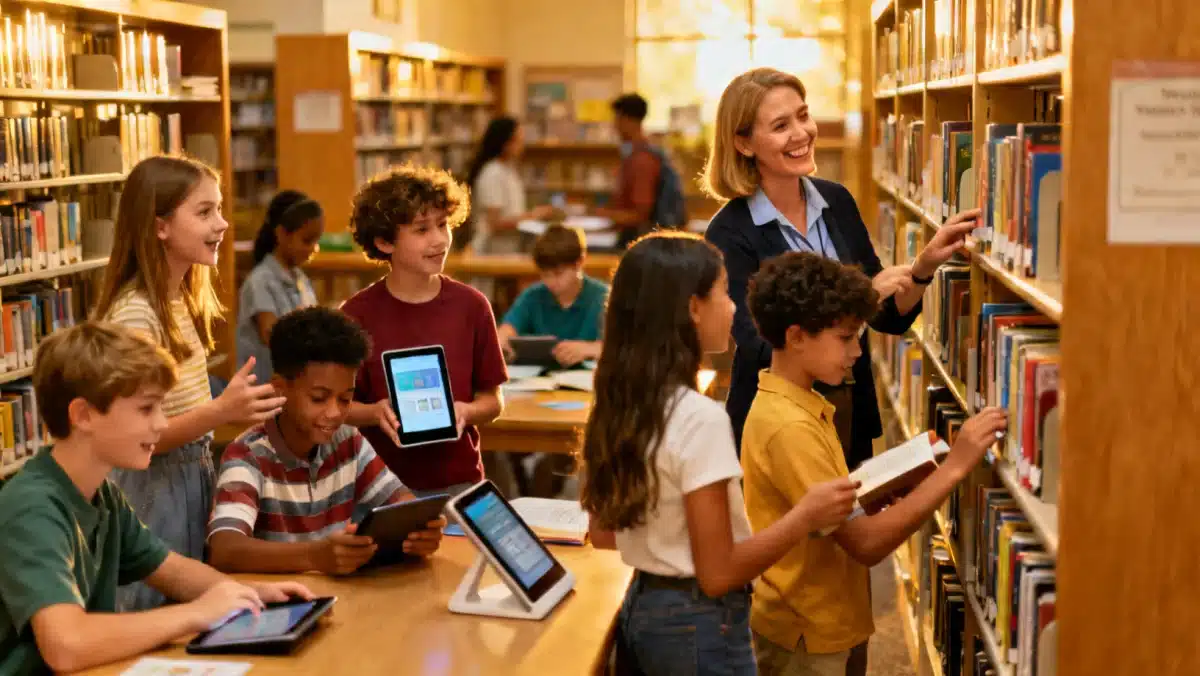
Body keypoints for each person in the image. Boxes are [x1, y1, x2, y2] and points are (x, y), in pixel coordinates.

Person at [579, 232, 860, 676]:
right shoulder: (699, 420)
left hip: (642, 606)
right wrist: (804, 517)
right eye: (723, 293)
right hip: (700, 623)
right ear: (692, 308)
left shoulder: (622, 402)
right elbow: (718, 573)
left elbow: (604, 533)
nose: (733, 307)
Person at [741, 252, 1007, 676]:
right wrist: (955, 468)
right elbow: (864, 544)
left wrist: (875, 495)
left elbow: (832, 513)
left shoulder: (802, 403)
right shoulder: (788, 427)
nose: (856, 351)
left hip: (828, 616)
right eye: (846, 338)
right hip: (807, 631)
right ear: (796, 337)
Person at [702, 67, 980, 470]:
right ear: (744, 143)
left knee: (851, 525)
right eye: (781, 125)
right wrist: (861, 297)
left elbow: (886, 317)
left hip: (849, 413)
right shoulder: (730, 230)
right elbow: (760, 343)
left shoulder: (836, 201)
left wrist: (923, 267)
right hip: (781, 425)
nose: (801, 133)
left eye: (803, 115)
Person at [0, 321, 313, 674]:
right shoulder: (32, 507)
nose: (162, 424)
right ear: (83, 415)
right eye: (147, 409)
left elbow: (172, 570)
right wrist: (196, 613)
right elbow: (65, 645)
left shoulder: (101, 494)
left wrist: (248, 593)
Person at [93, 155, 288, 610]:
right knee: (155, 608)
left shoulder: (179, 298)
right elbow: (132, 438)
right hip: (153, 489)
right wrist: (222, 412)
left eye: (218, 209)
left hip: (191, 475)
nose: (222, 223)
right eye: (204, 212)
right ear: (160, 226)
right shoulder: (138, 314)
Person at [209, 306, 445, 575]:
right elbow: (224, 549)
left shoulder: (349, 442)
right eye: (319, 398)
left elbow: (401, 500)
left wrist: (420, 529)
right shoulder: (247, 455)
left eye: (345, 399)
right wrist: (314, 556)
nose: (334, 413)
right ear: (280, 388)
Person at [340, 164, 508, 497]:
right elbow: (336, 406)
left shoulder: (472, 306)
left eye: (443, 225)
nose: (439, 240)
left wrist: (467, 411)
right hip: (380, 485)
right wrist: (373, 413)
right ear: (385, 242)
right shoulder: (355, 315)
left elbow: (493, 399)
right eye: (421, 229)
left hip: (459, 483)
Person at [237, 190, 323, 386]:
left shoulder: (300, 278)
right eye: (307, 240)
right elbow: (271, 335)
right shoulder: (259, 281)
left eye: (316, 241)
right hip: (264, 392)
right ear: (282, 234)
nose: (314, 249)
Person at [498, 224, 607, 368]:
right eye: (545, 275)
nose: (551, 282)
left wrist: (590, 349)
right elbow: (505, 331)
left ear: (579, 262)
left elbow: (624, 348)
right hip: (540, 384)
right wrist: (503, 342)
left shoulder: (604, 298)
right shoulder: (533, 296)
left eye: (558, 274)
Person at [464, 115, 554, 254]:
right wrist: (533, 215)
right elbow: (495, 222)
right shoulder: (492, 173)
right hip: (493, 250)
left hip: (508, 247)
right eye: (518, 141)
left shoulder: (507, 169)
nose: (522, 145)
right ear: (505, 143)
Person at [593, 93, 663, 248]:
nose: (615, 125)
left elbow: (641, 214)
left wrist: (605, 215)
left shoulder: (642, 160)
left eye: (617, 119)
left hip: (637, 243)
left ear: (628, 121)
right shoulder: (633, 156)